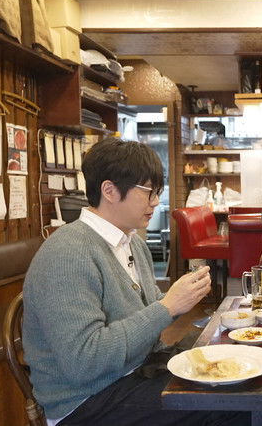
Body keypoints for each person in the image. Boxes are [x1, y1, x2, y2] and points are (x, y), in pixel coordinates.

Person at [23, 138, 248, 426]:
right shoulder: (67, 254)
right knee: (233, 402)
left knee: (234, 362)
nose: (155, 202)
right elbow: (84, 362)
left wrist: (182, 299)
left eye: (157, 192)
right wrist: (168, 306)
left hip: (137, 372)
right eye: (148, 192)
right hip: (86, 402)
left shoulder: (131, 242)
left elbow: (148, 317)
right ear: (109, 190)